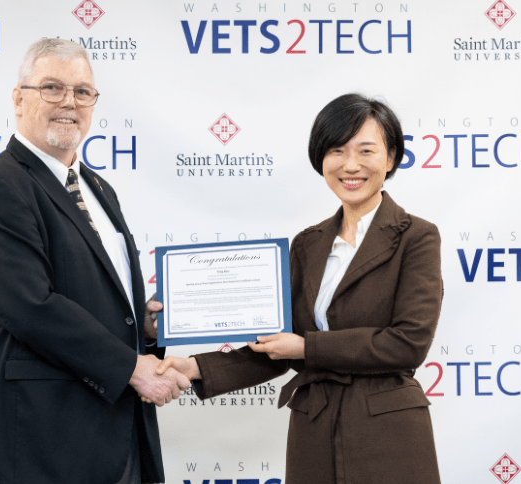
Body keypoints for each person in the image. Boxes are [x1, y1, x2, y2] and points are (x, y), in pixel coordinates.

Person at [157, 94, 443, 484]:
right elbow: (275, 345)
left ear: (391, 158)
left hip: (387, 432)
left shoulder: (417, 237)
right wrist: (193, 368)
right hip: (314, 427)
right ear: (321, 159)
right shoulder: (307, 244)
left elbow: (408, 342)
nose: (351, 165)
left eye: (366, 150)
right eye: (337, 150)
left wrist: (307, 348)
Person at [0, 38, 188, 484]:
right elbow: (29, 306)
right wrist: (131, 368)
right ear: (18, 98)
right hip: (41, 443)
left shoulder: (100, 190)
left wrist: (142, 328)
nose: (69, 102)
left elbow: (92, 295)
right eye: (51, 88)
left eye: (82, 92)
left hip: (119, 435)